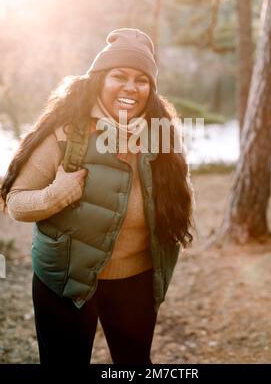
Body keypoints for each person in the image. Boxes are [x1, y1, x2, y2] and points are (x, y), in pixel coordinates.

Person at [1, 28, 195, 365]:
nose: (131, 87)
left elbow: (178, 198)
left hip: (135, 279)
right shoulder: (65, 131)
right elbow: (16, 202)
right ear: (99, 79)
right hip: (65, 279)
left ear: (150, 89)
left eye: (141, 80)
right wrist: (56, 195)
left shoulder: (160, 136)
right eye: (119, 75)